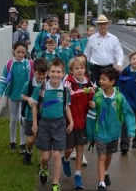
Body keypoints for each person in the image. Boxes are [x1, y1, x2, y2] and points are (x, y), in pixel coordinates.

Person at [86, 67, 136, 191]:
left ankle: (105, 171)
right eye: (100, 79)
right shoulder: (97, 97)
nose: (101, 81)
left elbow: (128, 114)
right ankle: (101, 183)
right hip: (100, 133)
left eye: (104, 79)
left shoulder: (119, 98)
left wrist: (131, 130)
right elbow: (91, 116)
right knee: (101, 157)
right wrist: (90, 134)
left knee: (108, 156)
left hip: (114, 134)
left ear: (112, 81)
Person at [31, 58, 74, 191]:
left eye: (59, 72)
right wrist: (34, 124)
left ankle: (55, 183)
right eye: (53, 71)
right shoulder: (41, 88)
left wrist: (71, 121)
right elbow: (34, 105)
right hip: (44, 124)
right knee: (45, 157)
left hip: (59, 124)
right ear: (48, 72)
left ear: (63, 73)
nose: (56, 74)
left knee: (56, 155)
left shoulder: (65, 90)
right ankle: (43, 169)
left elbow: (67, 107)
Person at [61, 57, 95, 189]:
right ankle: (65, 159)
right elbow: (69, 97)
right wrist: (85, 91)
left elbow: (92, 96)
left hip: (83, 121)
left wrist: (92, 101)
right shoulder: (68, 82)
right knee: (69, 148)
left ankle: (78, 175)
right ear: (71, 71)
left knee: (80, 148)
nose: (80, 71)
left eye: (82, 68)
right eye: (76, 68)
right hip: (70, 121)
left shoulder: (88, 82)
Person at [0, 41, 32, 153]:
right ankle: (12, 141)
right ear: (13, 51)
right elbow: (3, 80)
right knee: (13, 119)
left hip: (24, 97)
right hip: (12, 96)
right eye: (18, 52)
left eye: (23, 52)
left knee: (23, 119)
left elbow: (34, 80)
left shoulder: (29, 64)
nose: (20, 54)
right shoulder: (9, 64)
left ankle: (22, 143)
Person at [20, 58, 48, 165]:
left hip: (44, 117)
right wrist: (28, 99)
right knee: (31, 140)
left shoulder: (48, 85)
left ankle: (43, 162)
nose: (41, 76)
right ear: (33, 71)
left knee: (42, 141)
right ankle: (29, 151)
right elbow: (22, 95)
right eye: (38, 74)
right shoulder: (29, 84)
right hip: (30, 116)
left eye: (43, 74)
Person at [84, 14, 124, 86]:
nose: (102, 26)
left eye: (104, 24)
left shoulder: (114, 39)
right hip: (96, 69)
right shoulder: (92, 39)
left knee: (109, 89)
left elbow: (119, 52)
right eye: (100, 24)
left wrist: (119, 63)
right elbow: (87, 54)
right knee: (96, 90)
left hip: (109, 69)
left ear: (107, 25)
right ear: (97, 25)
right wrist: (86, 68)